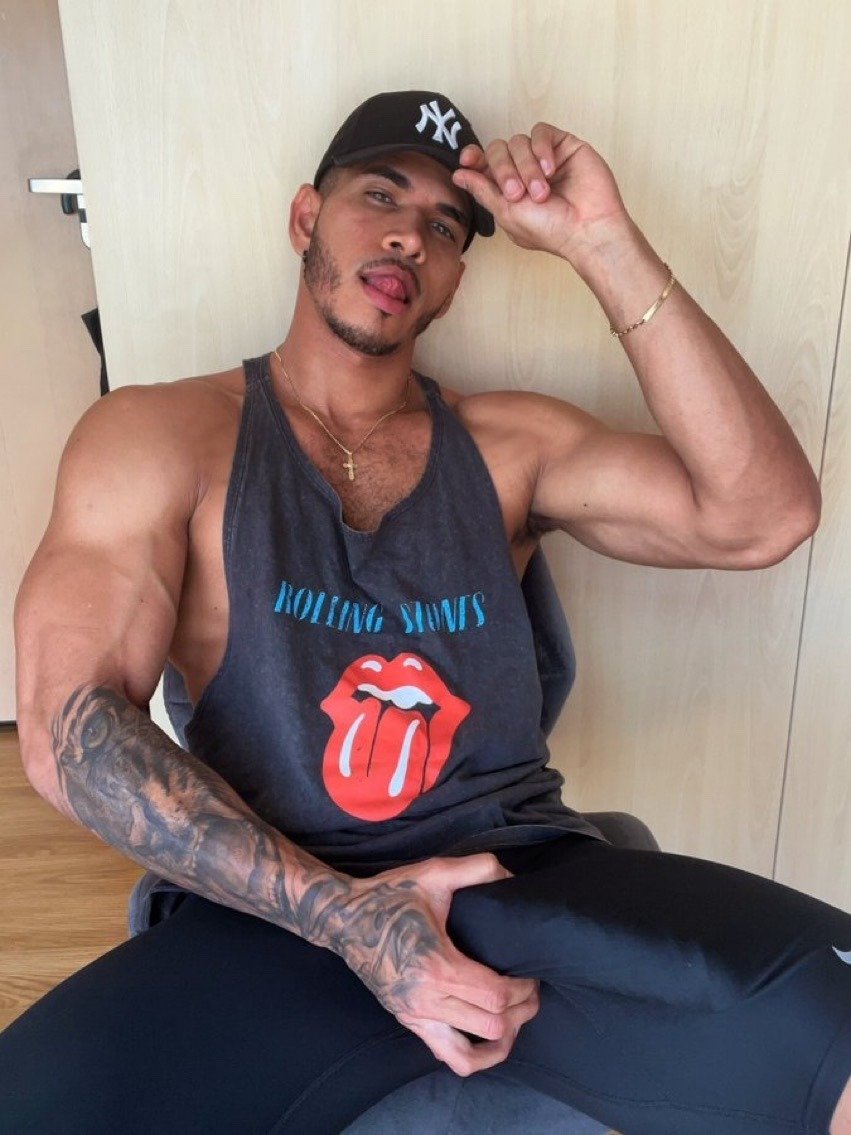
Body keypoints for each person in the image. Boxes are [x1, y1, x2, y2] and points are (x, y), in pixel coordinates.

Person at [4, 88, 850, 1135]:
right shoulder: (158, 436)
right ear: (306, 218)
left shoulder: (509, 446)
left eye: (447, 227)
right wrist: (350, 918)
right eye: (379, 195)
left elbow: (761, 515)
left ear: (452, 279)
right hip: (273, 912)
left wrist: (599, 241)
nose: (410, 233)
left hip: (515, 881)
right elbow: (69, 732)